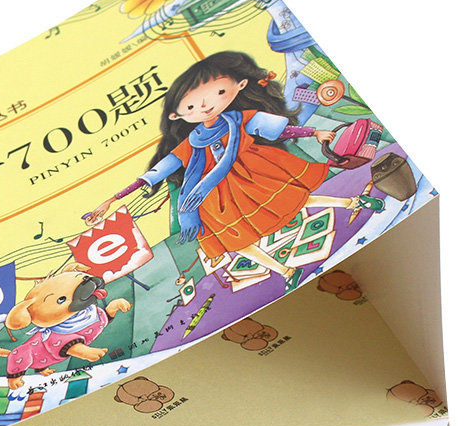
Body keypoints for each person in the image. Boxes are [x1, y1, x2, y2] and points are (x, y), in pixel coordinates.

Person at [84, 51, 383, 291]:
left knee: (296, 199)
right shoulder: (191, 142)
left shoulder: (240, 118)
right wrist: (114, 199)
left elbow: (277, 129)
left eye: (218, 92)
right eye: (191, 106)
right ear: (177, 114)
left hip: (257, 171)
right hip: (217, 197)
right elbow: (160, 170)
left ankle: (353, 202)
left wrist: (313, 132)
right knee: (237, 241)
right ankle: (284, 271)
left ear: (238, 87)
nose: (205, 105)